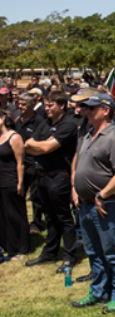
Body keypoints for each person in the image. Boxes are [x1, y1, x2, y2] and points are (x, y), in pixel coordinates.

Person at [70, 94, 115, 314]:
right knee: (93, 251)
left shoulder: (114, 138)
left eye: (91, 108)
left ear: (106, 110)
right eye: (85, 107)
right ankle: (98, 291)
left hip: (106, 204)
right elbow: (78, 161)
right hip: (85, 203)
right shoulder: (86, 133)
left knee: (112, 251)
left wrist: (102, 195)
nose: (86, 111)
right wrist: (75, 189)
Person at [24, 91, 79, 273]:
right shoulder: (44, 123)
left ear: (61, 105)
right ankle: (50, 253)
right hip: (42, 175)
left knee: (64, 218)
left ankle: (69, 256)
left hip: (59, 177)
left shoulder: (68, 125)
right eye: (46, 106)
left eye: (50, 106)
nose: (47, 109)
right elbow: (27, 145)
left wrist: (41, 146)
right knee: (51, 218)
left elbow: (47, 146)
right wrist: (42, 147)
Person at [0, 109, 28, 260]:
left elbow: (20, 162)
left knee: (14, 214)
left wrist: (20, 182)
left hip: (11, 180)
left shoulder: (14, 137)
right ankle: (6, 245)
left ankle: (19, 247)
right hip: (0, 181)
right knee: (3, 215)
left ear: (3, 118)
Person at [15, 92, 45, 235]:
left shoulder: (39, 121)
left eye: (23, 104)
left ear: (32, 105)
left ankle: (36, 223)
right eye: (19, 104)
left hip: (33, 164)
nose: (20, 106)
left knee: (36, 196)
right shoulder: (17, 122)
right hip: (19, 164)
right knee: (19, 193)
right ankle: (21, 222)